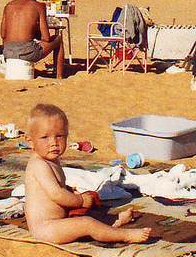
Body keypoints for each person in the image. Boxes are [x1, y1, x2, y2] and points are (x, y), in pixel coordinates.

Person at [23, 103, 151, 245]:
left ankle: (113, 221)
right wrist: (81, 200)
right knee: (87, 223)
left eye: (60, 136)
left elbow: (56, 189)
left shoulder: (51, 160)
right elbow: (56, 194)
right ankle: (125, 235)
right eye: (45, 137)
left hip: (59, 220)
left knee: (89, 215)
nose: (54, 142)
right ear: (30, 141)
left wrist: (70, 191)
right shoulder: (39, 165)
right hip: (46, 229)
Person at [0, 0, 65, 79]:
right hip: (27, 53)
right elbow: (46, 38)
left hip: (7, 51)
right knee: (58, 39)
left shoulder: (8, 5)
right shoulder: (38, 6)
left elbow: (3, 34)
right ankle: (59, 77)